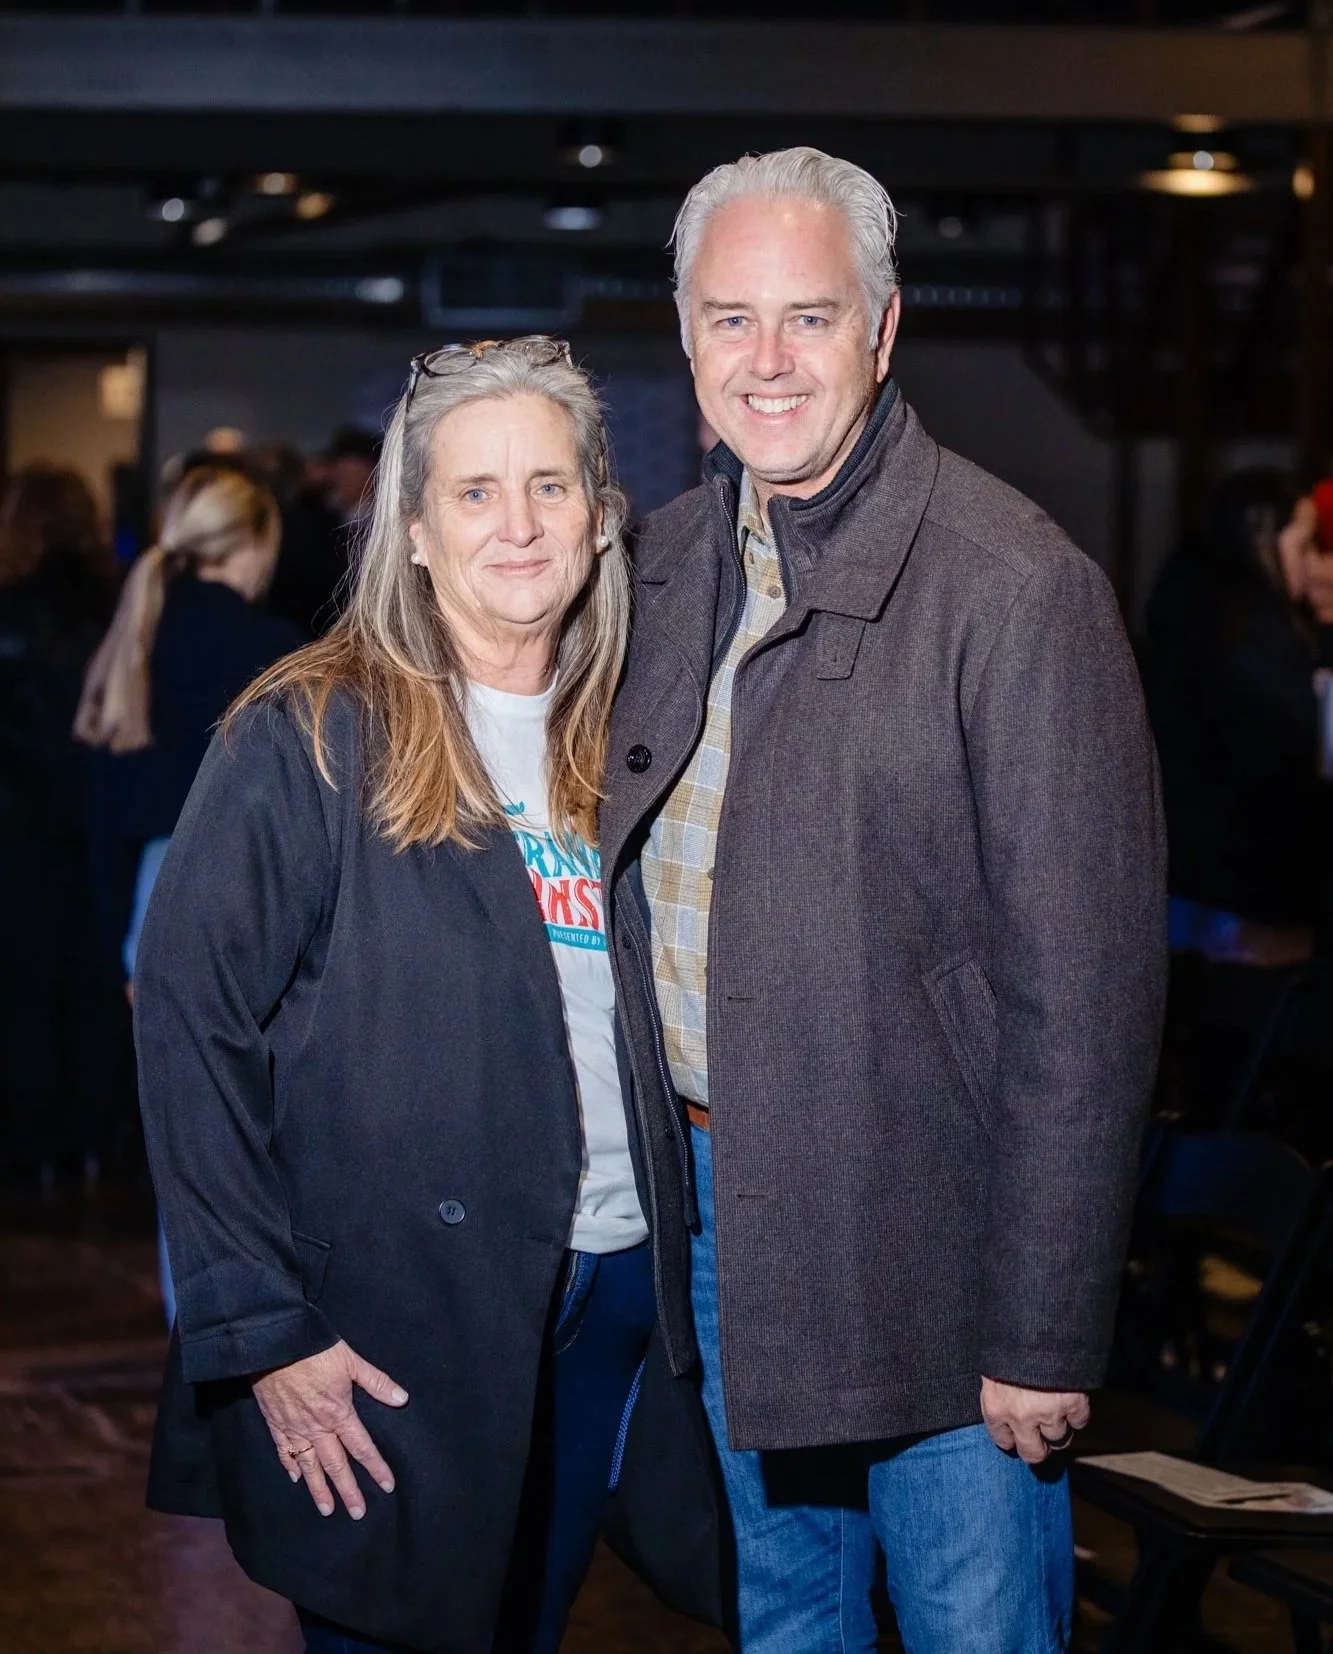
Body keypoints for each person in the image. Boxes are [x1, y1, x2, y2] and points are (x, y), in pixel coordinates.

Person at [600, 147, 1167, 1653]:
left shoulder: (1013, 589)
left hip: (937, 1258)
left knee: (976, 1630)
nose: (767, 361)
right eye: (730, 319)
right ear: (683, 335)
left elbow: (1087, 1001)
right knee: (783, 1621)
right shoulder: (660, 569)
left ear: (885, 328)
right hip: (720, 1228)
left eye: (809, 317)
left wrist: (1041, 1329)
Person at [131, 339, 719, 1653]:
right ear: (409, 529)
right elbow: (188, 1024)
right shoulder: (310, 730)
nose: (516, 524)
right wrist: (262, 1329)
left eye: (550, 486)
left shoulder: (628, 735)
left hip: (607, 1309)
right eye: (473, 491)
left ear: (598, 517)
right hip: (389, 1323)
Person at [74, 465, 304, 1315]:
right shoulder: (274, 648)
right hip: (248, 893)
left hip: (148, 895)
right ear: (253, 545)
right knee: (270, 1128)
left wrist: (116, 949)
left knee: (192, 1133)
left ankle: (199, 1332)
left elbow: (106, 813)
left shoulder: (134, 637)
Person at [0, 463, 120, 1188]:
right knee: (95, 982)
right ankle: (93, 1138)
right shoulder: (119, 607)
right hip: (94, 818)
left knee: (23, 988)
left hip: (16, 824)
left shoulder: (6, 607)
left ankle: (35, 1143)